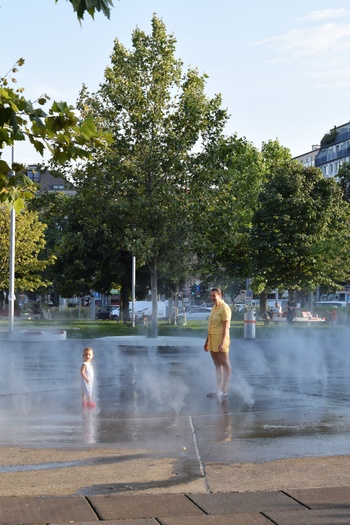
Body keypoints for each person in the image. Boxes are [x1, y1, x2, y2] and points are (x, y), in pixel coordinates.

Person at [204, 287, 232, 399]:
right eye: (210, 296)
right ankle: (218, 389)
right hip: (212, 339)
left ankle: (224, 390)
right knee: (217, 364)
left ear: (220, 295)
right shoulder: (214, 308)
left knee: (225, 363)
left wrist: (223, 342)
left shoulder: (224, 308)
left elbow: (226, 327)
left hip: (221, 339)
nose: (212, 298)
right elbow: (211, 326)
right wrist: (207, 341)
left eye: (214, 296)